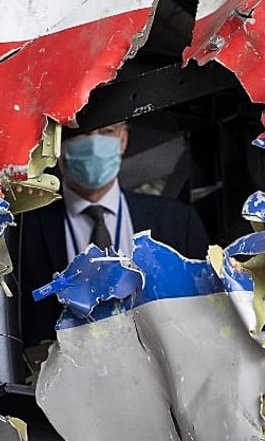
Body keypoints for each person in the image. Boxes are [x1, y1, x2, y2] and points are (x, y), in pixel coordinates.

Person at [15, 120, 209, 349]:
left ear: (123, 139)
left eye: (107, 131)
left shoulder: (177, 221)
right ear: (58, 145)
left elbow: (204, 315)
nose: (95, 144)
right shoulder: (21, 228)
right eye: (82, 134)